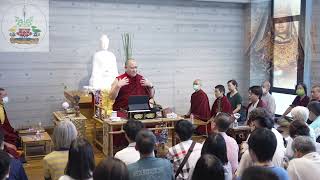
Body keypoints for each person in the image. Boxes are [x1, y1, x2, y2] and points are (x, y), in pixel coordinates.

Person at [236, 108, 285, 177]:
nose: (251, 126)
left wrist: (244, 150)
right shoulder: (276, 133)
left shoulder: (250, 152)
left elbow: (238, 176)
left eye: (253, 124)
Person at [0, 88, 20, 158]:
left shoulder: (1, 106)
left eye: (6, 95)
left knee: (16, 137)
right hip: (1, 137)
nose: (6, 98)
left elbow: (5, 123)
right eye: (4, 95)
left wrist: (11, 130)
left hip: (3, 132)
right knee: (11, 149)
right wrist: (6, 144)